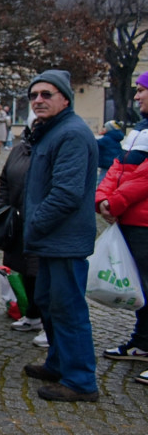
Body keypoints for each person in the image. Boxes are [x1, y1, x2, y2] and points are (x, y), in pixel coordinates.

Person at [22, 69, 100, 402]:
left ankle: (81, 381)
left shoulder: (71, 133)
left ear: (65, 99)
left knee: (68, 309)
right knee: (49, 304)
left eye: (46, 94)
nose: (38, 100)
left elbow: (66, 193)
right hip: (51, 239)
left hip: (63, 239)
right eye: (34, 95)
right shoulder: (53, 130)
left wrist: (35, 223)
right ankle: (58, 362)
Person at [95, 71, 148, 387]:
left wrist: (113, 203)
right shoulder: (137, 131)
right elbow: (116, 167)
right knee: (142, 289)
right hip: (130, 221)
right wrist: (102, 197)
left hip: (140, 221)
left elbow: (142, 178)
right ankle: (141, 342)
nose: (137, 96)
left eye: (142, 90)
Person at [0, 114, 47, 347]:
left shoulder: (51, 149)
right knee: (23, 269)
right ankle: (33, 315)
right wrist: (2, 209)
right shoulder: (19, 149)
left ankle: (49, 323)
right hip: (17, 219)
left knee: (42, 273)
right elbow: (4, 180)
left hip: (40, 221)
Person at [97, 120, 124, 185]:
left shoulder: (106, 139)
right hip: (114, 163)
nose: (103, 129)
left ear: (109, 129)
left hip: (106, 164)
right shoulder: (115, 138)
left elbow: (95, 143)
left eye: (104, 127)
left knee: (102, 180)